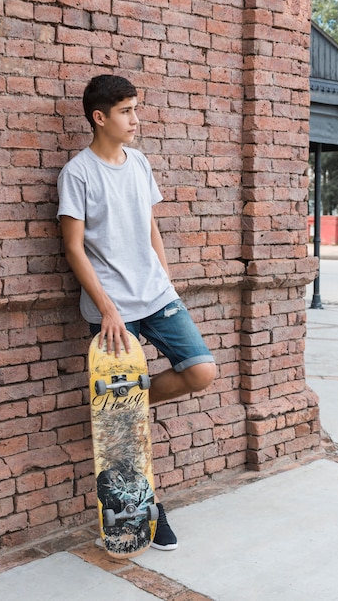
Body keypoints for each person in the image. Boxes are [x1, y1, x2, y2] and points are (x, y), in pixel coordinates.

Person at [57, 74, 216, 550]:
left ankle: (121, 401)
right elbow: (73, 248)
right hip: (113, 309)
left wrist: (166, 280)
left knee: (201, 371)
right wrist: (106, 308)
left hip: (156, 295)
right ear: (99, 117)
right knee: (126, 439)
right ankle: (149, 511)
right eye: (126, 111)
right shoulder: (78, 173)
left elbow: (151, 226)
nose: (135, 119)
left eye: (135, 109)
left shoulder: (140, 162)